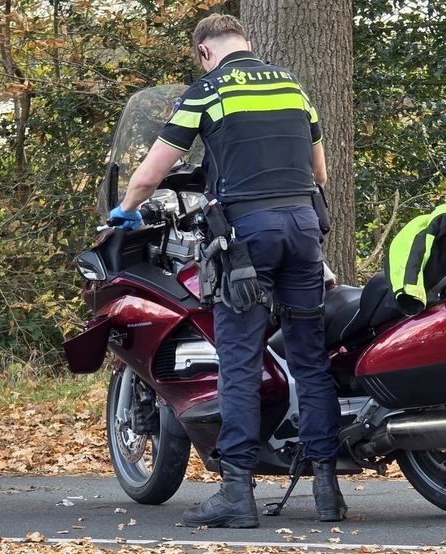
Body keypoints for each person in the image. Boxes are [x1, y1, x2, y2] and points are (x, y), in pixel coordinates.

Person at [109, 14, 345, 527]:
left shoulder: (207, 90)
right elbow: (320, 173)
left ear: (204, 52)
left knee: (238, 359)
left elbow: (152, 172)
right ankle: (328, 490)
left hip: (245, 238)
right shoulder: (291, 85)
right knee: (309, 358)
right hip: (305, 229)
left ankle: (238, 492)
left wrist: (126, 209)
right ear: (248, 44)